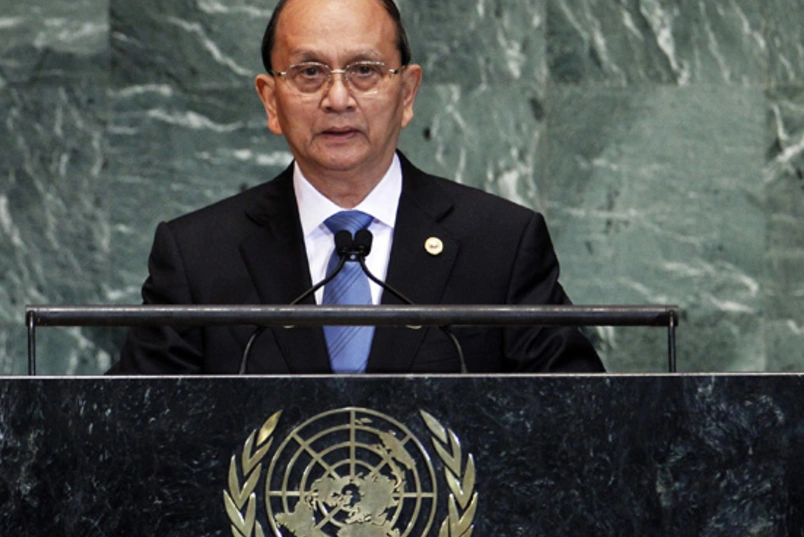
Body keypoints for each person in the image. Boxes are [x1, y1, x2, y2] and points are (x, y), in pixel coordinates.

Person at [107, 0, 604, 375]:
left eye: (364, 71)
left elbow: (574, 425)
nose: (338, 97)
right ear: (271, 101)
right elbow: (136, 437)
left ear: (407, 93)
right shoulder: (198, 257)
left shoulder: (500, 245)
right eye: (309, 72)